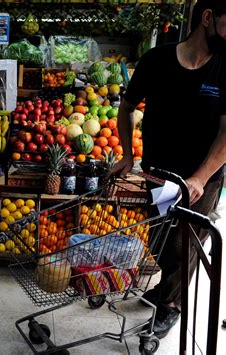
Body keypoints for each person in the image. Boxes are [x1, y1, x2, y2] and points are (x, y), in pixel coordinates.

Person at [110, 0, 226, 339]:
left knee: (182, 245)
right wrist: (128, 156)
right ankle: (166, 289)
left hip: (202, 177)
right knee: (160, 240)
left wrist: (200, 178)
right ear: (208, 18)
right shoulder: (156, 61)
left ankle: (171, 306)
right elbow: (126, 107)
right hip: (158, 174)